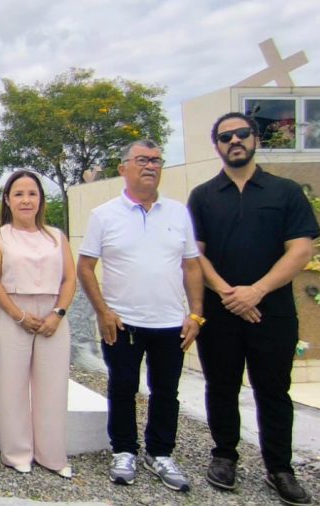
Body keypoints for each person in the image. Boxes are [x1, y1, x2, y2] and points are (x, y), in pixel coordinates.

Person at [188, 112, 318, 505]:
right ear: (217, 146)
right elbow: (194, 254)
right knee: (222, 385)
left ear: (255, 139)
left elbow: (301, 249)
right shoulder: (204, 196)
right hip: (221, 309)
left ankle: (279, 467)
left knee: (274, 390)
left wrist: (256, 291)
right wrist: (230, 293)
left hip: (272, 311)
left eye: (241, 134)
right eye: (225, 137)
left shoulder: (285, 192)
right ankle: (224, 456)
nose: (234, 141)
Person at [77, 140, 203, 492]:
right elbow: (85, 266)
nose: (150, 166)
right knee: (122, 386)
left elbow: (192, 266)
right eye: (143, 160)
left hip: (170, 322)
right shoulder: (104, 214)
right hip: (123, 321)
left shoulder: (178, 213)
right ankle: (124, 450)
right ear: (124, 168)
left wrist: (196, 314)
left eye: (157, 160)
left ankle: (160, 452)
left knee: (166, 390)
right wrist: (102, 311)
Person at [0, 170, 76, 478]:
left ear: (41, 199)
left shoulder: (56, 236)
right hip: (14, 312)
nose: (26, 200)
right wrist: (18, 315)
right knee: (12, 385)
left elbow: (69, 278)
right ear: (8, 200)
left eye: (32, 194)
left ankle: (52, 454)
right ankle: (17, 452)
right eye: (19, 194)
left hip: (52, 314)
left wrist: (58, 313)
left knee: (53, 386)